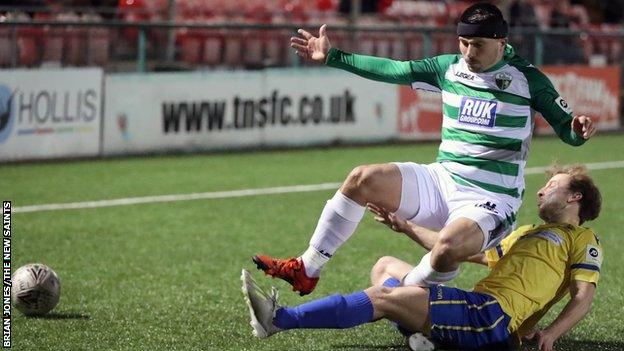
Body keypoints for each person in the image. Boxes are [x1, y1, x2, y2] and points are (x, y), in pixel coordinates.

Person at [252, 2, 597, 296]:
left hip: (491, 199)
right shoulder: (448, 68)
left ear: (501, 42)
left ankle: (405, 299)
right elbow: (394, 70)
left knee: (447, 246)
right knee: (362, 179)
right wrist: (334, 56)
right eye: (463, 43)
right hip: (442, 179)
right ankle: (308, 268)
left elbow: (567, 129)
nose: (468, 52)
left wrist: (577, 130)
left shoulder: (528, 79)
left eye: (477, 44)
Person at [243, 164, 603, 351]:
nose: (541, 189)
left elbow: (582, 296)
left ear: (575, 198)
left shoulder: (583, 239)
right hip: (478, 305)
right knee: (385, 265)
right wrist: (406, 227)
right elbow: (464, 251)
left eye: (552, 186)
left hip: (494, 317)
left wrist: (552, 334)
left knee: (384, 296)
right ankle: (426, 336)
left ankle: (280, 320)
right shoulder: (524, 233)